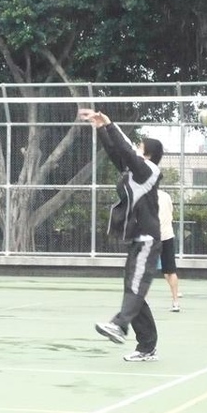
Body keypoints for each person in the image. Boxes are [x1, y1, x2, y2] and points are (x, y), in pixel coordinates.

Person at [79, 108, 163, 362]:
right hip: (137, 239)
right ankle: (147, 346)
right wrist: (101, 130)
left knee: (135, 288)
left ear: (148, 153)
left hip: (147, 239)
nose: (135, 148)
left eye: (140, 147)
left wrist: (110, 123)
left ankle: (119, 325)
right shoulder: (134, 171)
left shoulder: (148, 171)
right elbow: (117, 153)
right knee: (133, 290)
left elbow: (126, 150)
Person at [158, 189, 181, 312]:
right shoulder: (165, 195)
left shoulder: (143, 195)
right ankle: (175, 301)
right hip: (166, 236)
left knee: (169, 271)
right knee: (170, 271)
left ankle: (176, 301)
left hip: (155, 237)